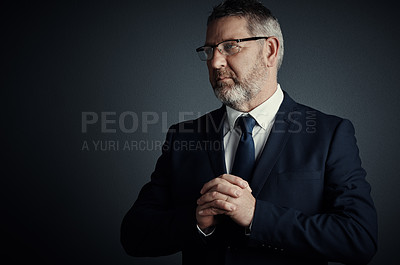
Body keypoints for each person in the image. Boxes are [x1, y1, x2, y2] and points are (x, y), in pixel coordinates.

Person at [120, 0, 378, 264]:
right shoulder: (184, 136)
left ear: (269, 50)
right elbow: (133, 234)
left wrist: (257, 215)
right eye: (209, 50)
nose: (216, 62)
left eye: (230, 46)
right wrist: (196, 221)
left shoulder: (330, 134)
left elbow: (359, 238)